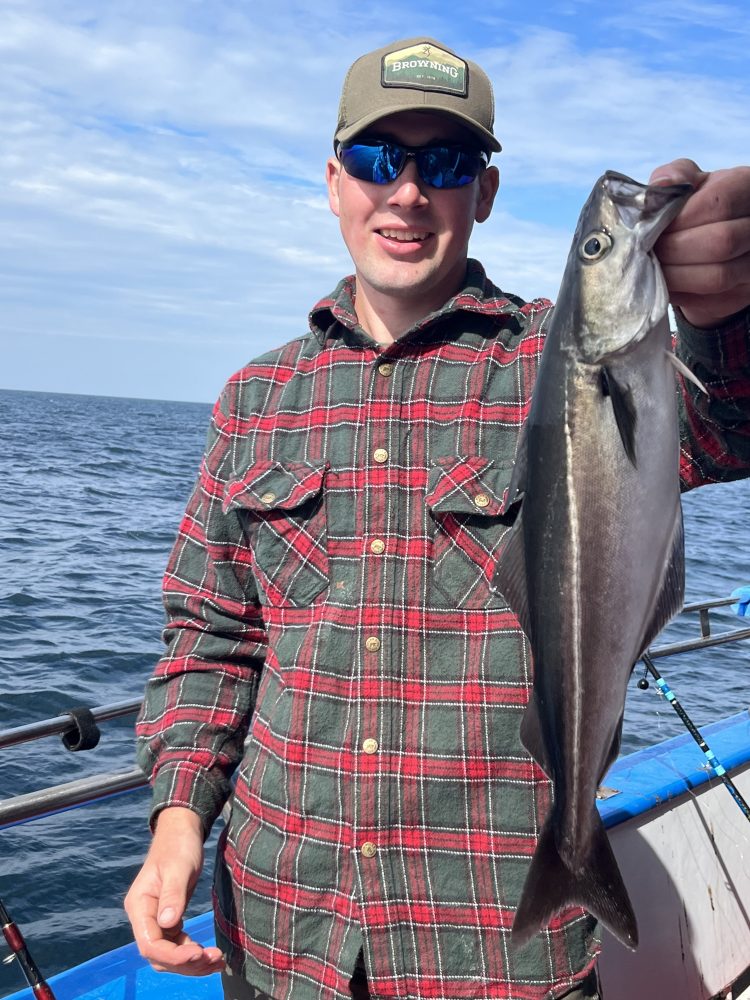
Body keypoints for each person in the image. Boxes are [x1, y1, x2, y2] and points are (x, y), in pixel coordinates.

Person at [124, 36, 750, 1000]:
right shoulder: (256, 398)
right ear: (335, 183)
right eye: (380, 159)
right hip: (282, 936)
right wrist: (176, 824)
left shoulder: (564, 357)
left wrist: (721, 312)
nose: (408, 192)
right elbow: (210, 637)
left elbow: (722, 424)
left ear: (484, 192)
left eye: (444, 163)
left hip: (497, 949)